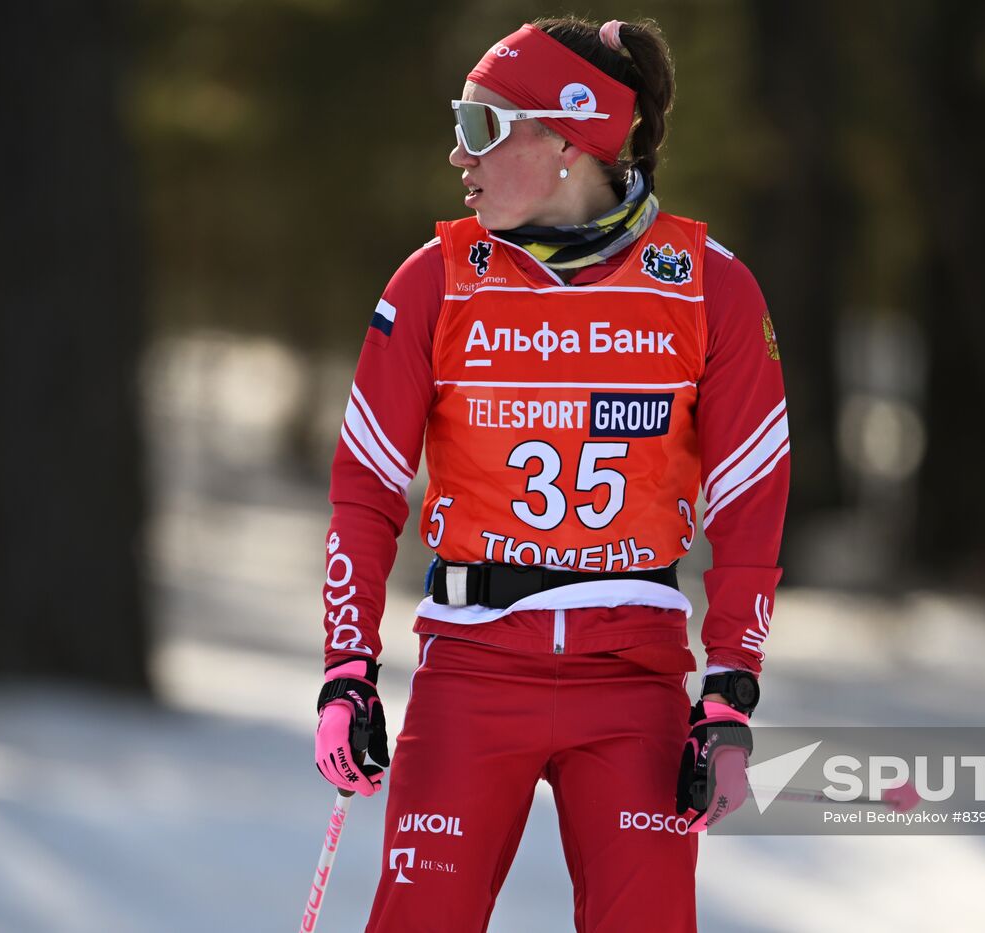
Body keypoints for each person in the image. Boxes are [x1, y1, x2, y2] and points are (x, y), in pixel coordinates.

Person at [312, 16, 789, 932]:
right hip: (472, 672)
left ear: (570, 135)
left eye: (484, 126)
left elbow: (751, 496)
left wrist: (729, 693)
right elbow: (366, 483)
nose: (460, 153)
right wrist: (347, 667)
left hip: (633, 681)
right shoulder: (436, 281)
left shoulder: (707, 286)